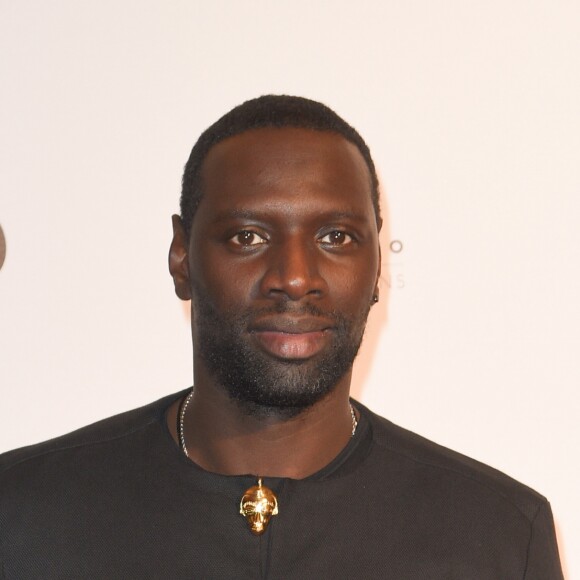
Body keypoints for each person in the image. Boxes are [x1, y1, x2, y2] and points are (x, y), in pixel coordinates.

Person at [0, 95, 563, 579]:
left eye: (336, 236)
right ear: (182, 258)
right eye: (248, 235)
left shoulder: (498, 535)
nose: (295, 278)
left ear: (375, 268)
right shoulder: (22, 514)